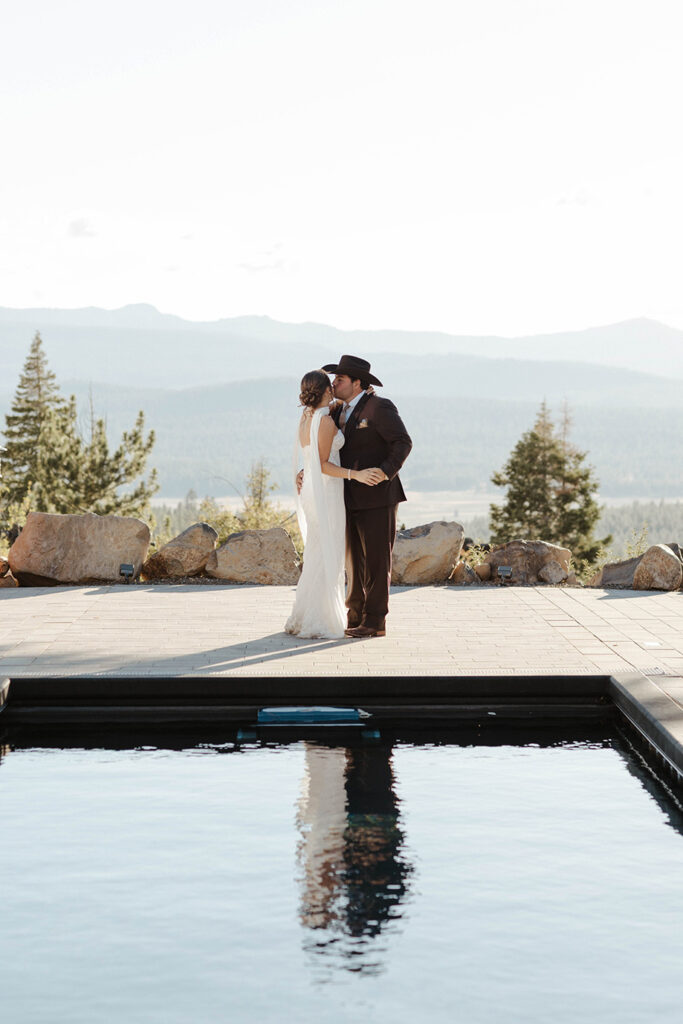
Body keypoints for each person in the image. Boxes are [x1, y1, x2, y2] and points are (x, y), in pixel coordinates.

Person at [285, 370, 383, 639]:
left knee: (317, 551)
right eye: (332, 385)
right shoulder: (325, 422)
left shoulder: (306, 417)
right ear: (326, 390)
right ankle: (320, 619)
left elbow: (310, 458)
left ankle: (304, 614)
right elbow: (324, 464)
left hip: (312, 492)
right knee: (329, 554)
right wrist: (357, 474)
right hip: (326, 492)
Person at [322, 355, 412, 638]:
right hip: (347, 496)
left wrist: (385, 472)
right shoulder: (337, 411)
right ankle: (355, 615)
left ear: (357, 382)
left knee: (377, 560)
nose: (334, 383)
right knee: (353, 561)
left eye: (340, 379)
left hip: (378, 497)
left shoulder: (379, 407)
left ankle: (375, 621)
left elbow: (402, 442)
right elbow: (326, 448)